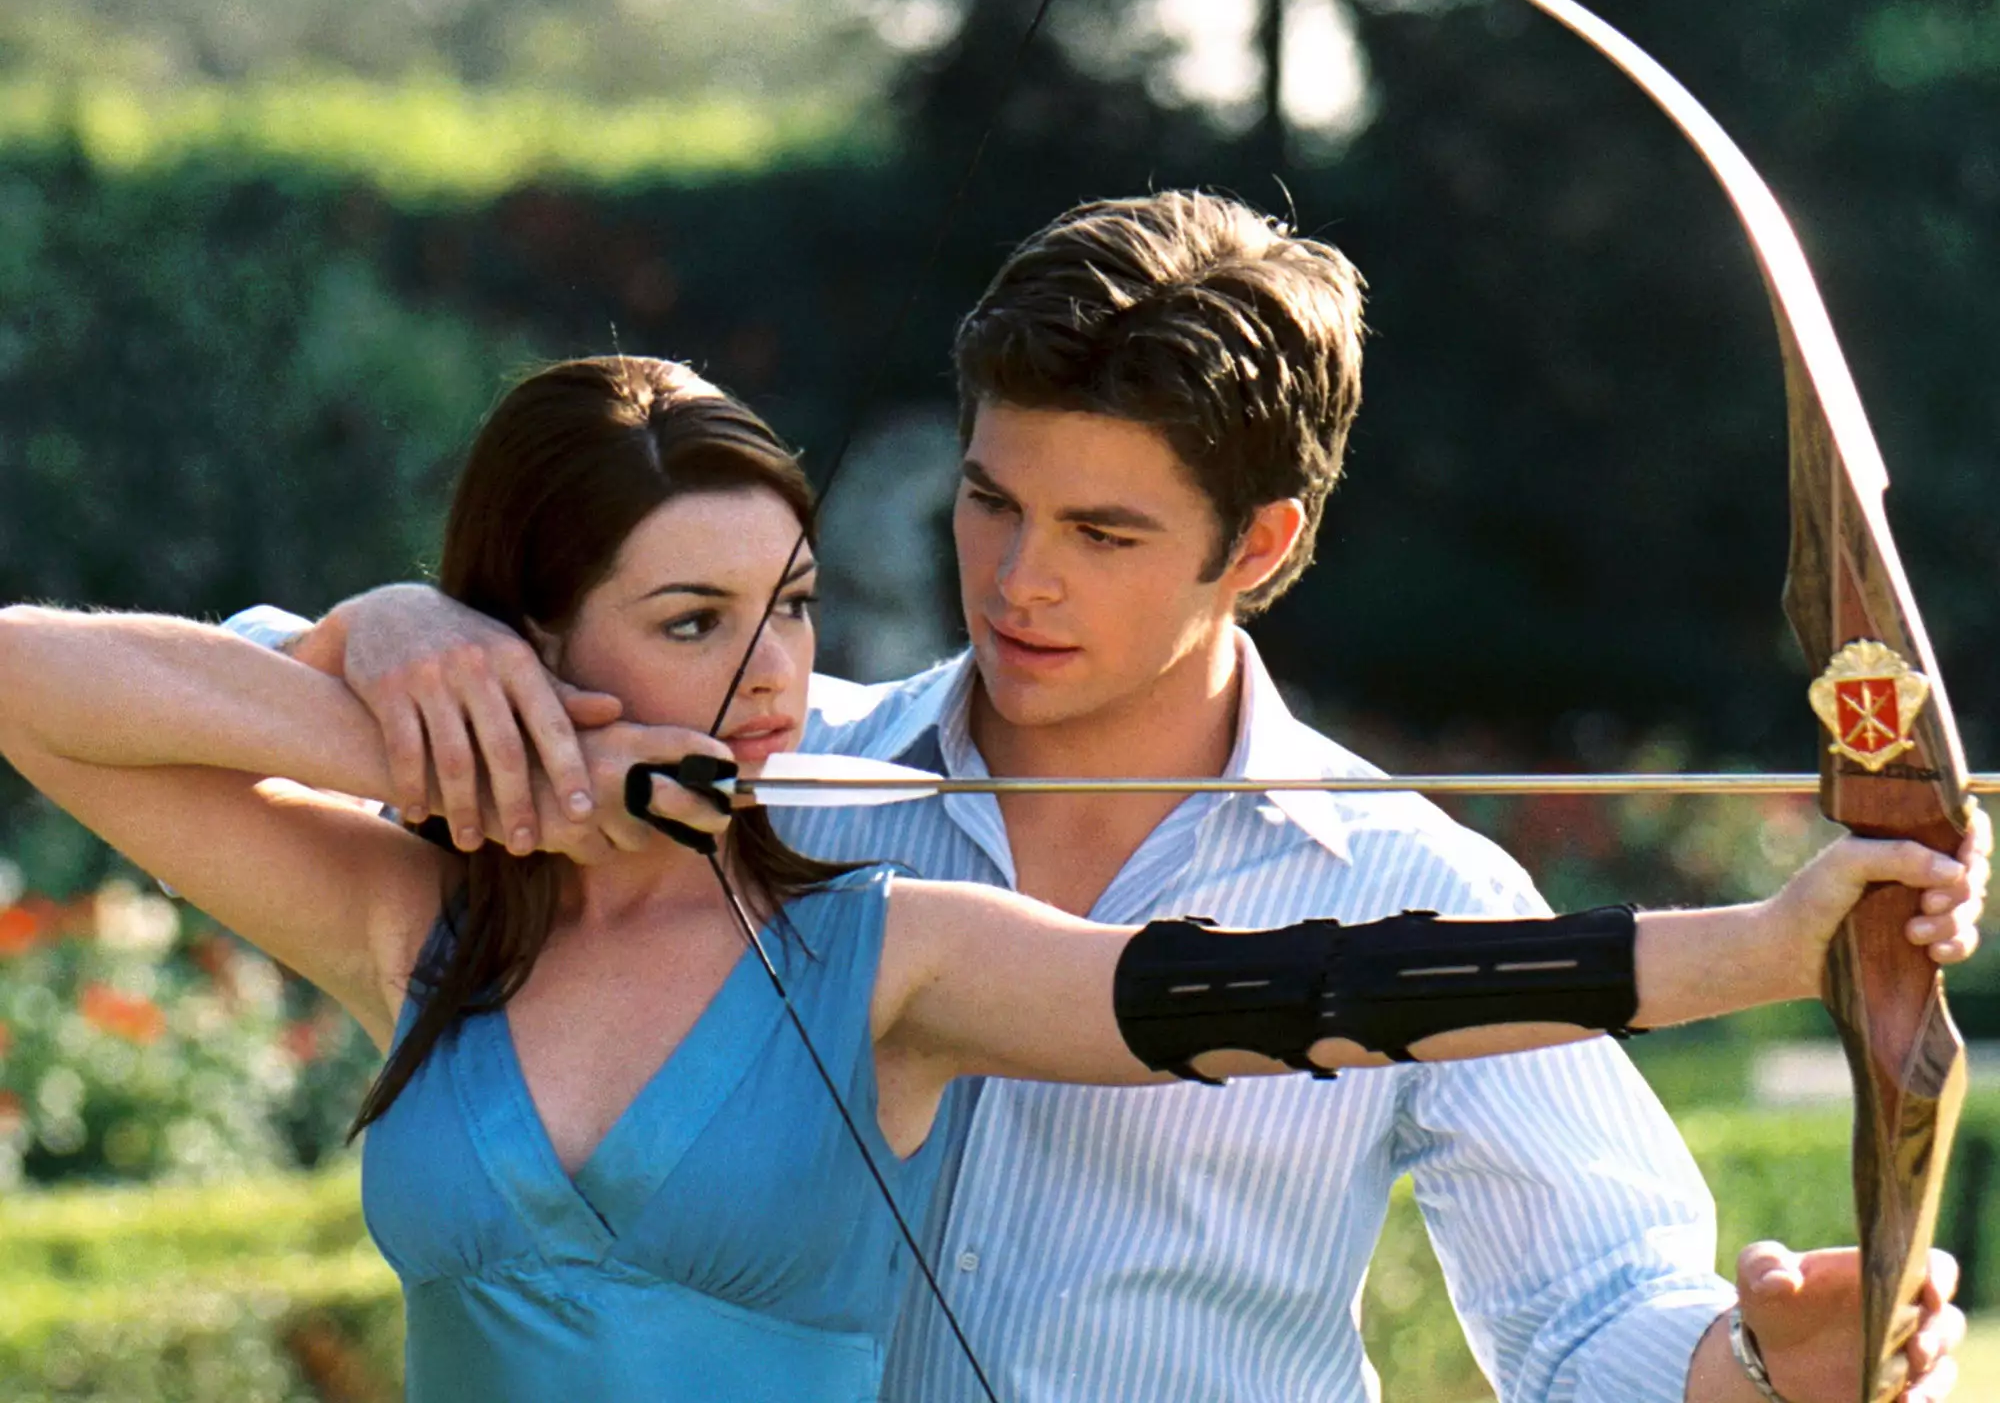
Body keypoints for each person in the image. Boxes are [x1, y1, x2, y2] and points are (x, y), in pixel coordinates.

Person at [229, 198, 1988, 1403]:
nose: (1020, 581)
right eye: (992, 501)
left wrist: (1765, 1363)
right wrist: (390, 631)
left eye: (1104, 532)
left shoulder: (1412, 879)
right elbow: (207, 720)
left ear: (1262, 545)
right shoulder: (755, 780)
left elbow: (1593, 1323)